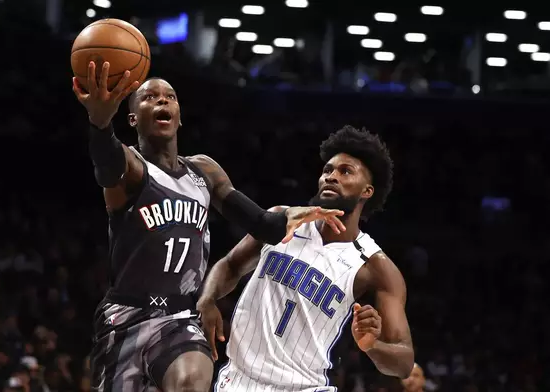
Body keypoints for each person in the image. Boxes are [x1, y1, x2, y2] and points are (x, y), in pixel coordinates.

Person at [72, 62, 346, 392]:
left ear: (179, 116)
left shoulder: (204, 171)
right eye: (150, 97)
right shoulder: (131, 167)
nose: (162, 101)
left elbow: (260, 223)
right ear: (132, 118)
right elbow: (106, 165)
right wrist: (100, 123)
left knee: (192, 382)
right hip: (125, 317)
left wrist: (286, 217)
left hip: (179, 318)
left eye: (170, 97)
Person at [198, 125, 415, 391]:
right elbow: (231, 264)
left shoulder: (375, 267)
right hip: (237, 379)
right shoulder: (281, 219)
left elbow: (403, 362)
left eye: (345, 171)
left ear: (367, 191)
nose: (331, 177)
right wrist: (208, 299)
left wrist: (372, 345)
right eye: (327, 170)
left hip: (305, 387)